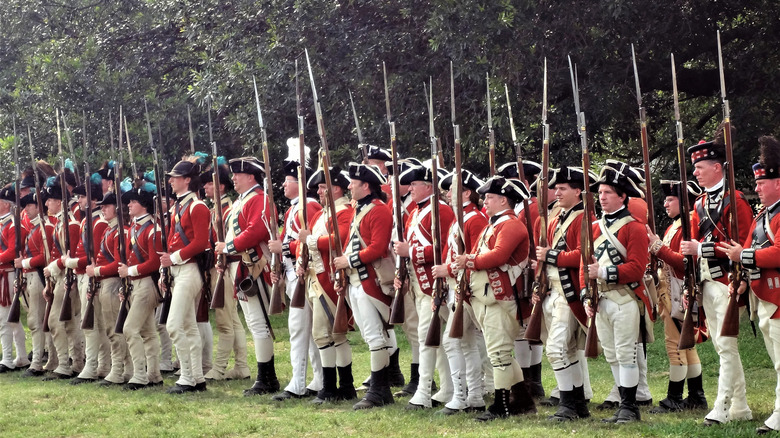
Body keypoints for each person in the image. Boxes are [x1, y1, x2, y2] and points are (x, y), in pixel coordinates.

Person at [680, 134, 754, 426]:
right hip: (707, 281)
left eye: (700, 166)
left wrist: (701, 249)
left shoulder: (734, 201)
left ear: (718, 168)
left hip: (728, 280)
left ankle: (721, 408)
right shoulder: (700, 203)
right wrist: (692, 284)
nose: (695, 172)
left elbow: (744, 245)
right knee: (724, 346)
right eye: (695, 167)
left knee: (726, 345)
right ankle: (741, 406)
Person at [455, 175, 537, 421]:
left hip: (501, 298)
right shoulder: (495, 224)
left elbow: (499, 256)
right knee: (499, 353)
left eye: (490, 197)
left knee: (499, 354)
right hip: (486, 296)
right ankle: (522, 400)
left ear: (503, 200)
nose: (484, 201)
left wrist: (467, 260)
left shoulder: (510, 225)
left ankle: (501, 406)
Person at [719, 135, 780, 435]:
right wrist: (740, 282)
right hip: (763, 296)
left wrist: (743, 255)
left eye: (761, 182)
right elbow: (748, 250)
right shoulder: (763, 216)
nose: (756, 187)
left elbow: (778, 252)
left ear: (778, 183)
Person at [583, 160, 651, 424]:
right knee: (611, 354)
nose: (602, 197)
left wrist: (602, 273)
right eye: (600, 193)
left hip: (625, 298)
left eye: (608, 193)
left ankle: (630, 407)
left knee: (626, 353)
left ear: (623, 196)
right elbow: (583, 264)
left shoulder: (633, 226)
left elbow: (636, 268)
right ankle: (623, 402)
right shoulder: (594, 227)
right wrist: (586, 295)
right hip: (600, 299)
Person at [333, 162, 395, 410]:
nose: (349, 187)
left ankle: (380, 390)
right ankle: (379, 389)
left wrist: (348, 260)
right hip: (356, 280)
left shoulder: (378, 210)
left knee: (374, 336)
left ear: (365, 186)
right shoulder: (360, 209)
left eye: (353, 183)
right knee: (370, 336)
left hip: (371, 280)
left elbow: (378, 248)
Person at [394, 162, 455, 410]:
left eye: (414, 185)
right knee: (432, 338)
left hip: (437, 284)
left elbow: (444, 248)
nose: (409, 189)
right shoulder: (418, 212)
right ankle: (448, 387)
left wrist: (411, 252)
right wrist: (404, 273)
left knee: (429, 337)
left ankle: (423, 390)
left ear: (428, 186)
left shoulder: (440, 210)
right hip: (420, 283)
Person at [215, 156, 278, 397]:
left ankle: (266, 378)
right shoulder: (242, 201)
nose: (233, 179)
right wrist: (226, 255)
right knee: (254, 324)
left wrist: (228, 247)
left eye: (237, 175)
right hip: (242, 266)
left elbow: (256, 230)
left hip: (256, 267)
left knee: (259, 323)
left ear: (251, 176)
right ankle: (266, 376)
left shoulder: (260, 199)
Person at [534, 166, 593, 421]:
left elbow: (585, 254)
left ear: (578, 191)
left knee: (557, 350)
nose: (556, 192)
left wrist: (552, 256)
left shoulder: (584, 218)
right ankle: (577, 403)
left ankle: (568, 403)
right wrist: (539, 284)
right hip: (553, 289)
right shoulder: (556, 217)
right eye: (556, 188)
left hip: (570, 290)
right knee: (565, 350)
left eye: (562, 189)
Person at [268, 139, 324, 400]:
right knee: (305, 330)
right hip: (292, 274)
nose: (283, 185)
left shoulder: (308, 205)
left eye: (288, 181)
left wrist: (284, 247)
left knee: (300, 330)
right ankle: (317, 379)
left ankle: (298, 383)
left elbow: (310, 240)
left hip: (304, 274)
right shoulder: (295, 208)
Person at [647, 180, 708, 413]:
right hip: (669, 290)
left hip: (679, 289)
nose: (665, 203)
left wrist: (657, 247)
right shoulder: (677, 224)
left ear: (683, 201)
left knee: (676, 346)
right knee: (687, 346)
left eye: (670, 199)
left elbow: (685, 264)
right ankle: (696, 397)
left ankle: (674, 397)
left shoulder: (688, 224)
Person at [432, 168, 489, 415]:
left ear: (466, 192)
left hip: (466, 288)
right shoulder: (462, 218)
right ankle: (472, 396)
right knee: (465, 344)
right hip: (458, 287)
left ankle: (463, 395)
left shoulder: (474, 219)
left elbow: (475, 257)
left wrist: (448, 270)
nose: (446, 194)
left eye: (452, 190)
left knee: (455, 342)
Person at [298, 166, 356, 404]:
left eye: (323, 187)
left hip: (329, 280)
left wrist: (309, 240)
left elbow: (338, 240)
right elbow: (306, 243)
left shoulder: (343, 211)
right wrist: (302, 260)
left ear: (336, 188)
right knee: (332, 335)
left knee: (326, 334)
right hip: (315, 277)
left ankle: (331, 388)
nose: (319, 192)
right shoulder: (321, 213)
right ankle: (343, 386)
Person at [160, 157, 211, 393]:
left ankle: (187, 377)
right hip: (177, 269)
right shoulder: (178, 206)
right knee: (189, 326)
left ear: (187, 180)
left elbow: (201, 242)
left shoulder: (197, 206)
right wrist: (166, 270)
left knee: (173, 325)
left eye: (175, 177)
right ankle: (197, 378)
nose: (170, 181)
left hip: (190, 269)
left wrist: (175, 258)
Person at [498, 160, 545, 398]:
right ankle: (529, 381)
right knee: (523, 331)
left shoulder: (533, 207)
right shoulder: (518, 209)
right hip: (519, 276)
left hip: (528, 274)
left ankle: (532, 381)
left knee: (530, 330)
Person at [201, 162, 251, 381]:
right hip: (221, 266)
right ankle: (242, 367)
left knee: (224, 320)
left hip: (227, 266)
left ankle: (219, 368)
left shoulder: (228, 211)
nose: (204, 188)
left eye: (208, 184)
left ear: (220, 187)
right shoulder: (219, 209)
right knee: (232, 320)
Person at [119, 184, 164, 390]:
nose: (129, 205)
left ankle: (139, 375)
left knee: (130, 328)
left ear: (144, 205)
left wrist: (130, 272)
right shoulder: (135, 228)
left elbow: (154, 263)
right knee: (147, 331)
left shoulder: (152, 230)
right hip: (136, 283)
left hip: (148, 283)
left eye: (133, 202)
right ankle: (153, 374)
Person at [88, 191, 133, 386]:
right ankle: (127, 370)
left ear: (117, 208)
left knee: (115, 330)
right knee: (113, 328)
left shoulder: (120, 231)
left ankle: (117, 371)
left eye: (107, 206)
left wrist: (96, 271)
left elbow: (117, 263)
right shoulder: (110, 230)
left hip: (114, 283)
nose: (103, 209)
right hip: (106, 283)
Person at [67, 183, 110, 384]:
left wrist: (72, 263)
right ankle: (102, 365)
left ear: (93, 200)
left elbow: (94, 257)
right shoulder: (87, 221)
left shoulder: (99, 223)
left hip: (92, 275)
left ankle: (92, 366)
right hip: (84, 275)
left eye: (83, 197)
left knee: (92, 324)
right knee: (94, 324)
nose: (80, 201)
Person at [43, 177, 85, 380]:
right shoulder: (61, 223)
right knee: (68, 323)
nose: (46, 204)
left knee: (58, 321)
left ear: (59, 202)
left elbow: (71, 256)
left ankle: (66, 364)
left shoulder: (72, 225)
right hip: (60, 277)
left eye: (49, 200)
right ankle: (74, 363)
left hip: (69, 278)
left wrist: (55, 266)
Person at [0, 184, 28, 372]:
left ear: (6, 204)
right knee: (13, 319)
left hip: (9, 275)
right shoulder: (4, 223)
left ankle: (8, 359)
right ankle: (22, 357)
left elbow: (12, 251)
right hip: (3, 273)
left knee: (6, 319)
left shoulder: (13, 225)